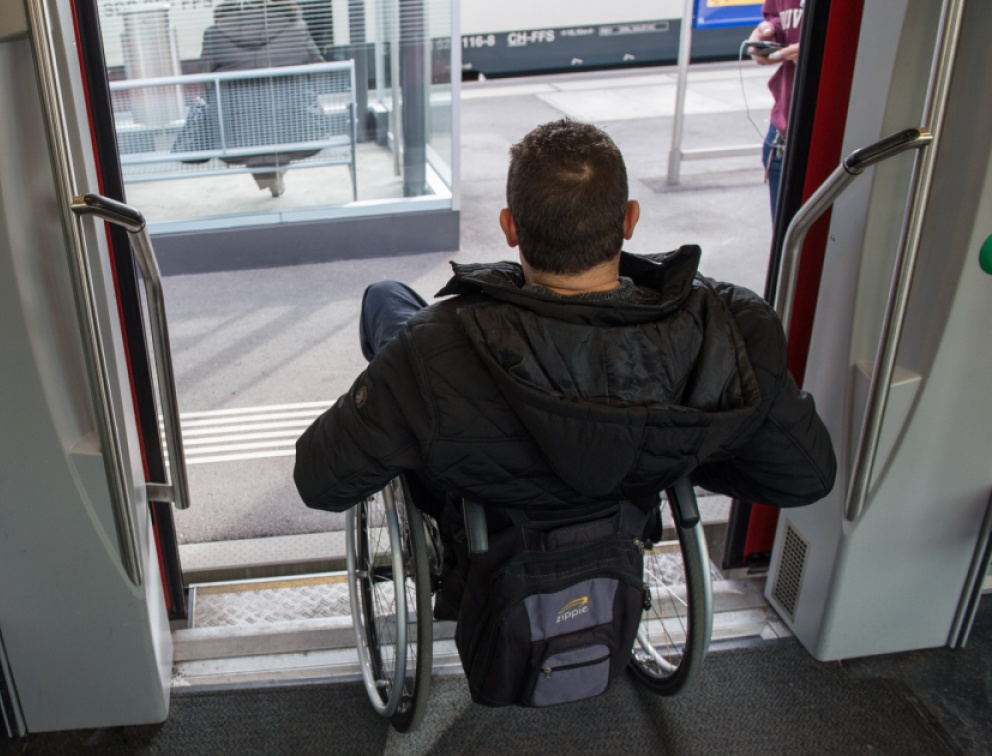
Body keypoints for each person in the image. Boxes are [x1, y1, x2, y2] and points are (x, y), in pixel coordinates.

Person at [293, 119, 835, 613]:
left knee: (386, 299)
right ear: (629, 220)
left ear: (510, 228)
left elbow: (320, 481)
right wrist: (679, 449)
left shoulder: (433, 349)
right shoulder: (728, 325)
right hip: (629, 509)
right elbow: (805, 476)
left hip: (485, 524)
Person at [175, 0, 325, 197]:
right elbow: (317, 67)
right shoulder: (297, 28)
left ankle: (269, 177)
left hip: (236, 133)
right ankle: (273, 175)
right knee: (279, 128)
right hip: (296, 125)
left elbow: (207, 77)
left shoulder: (214, 33)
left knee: (252, 134)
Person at [749, 0, 805, 215]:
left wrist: (821, 49)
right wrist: (769, 34)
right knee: (787, 233)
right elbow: (780, 18)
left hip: (837, 132)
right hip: (783, 132)